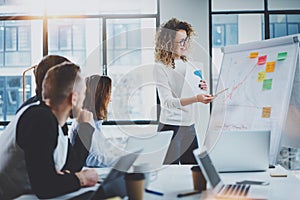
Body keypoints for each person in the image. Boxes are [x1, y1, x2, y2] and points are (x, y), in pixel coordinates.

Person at [0, 62, 98, 199]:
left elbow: (72, 164)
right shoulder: (40, 120)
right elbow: (46, 186)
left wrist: (85, 128)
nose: (84, 100)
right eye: (83, 94)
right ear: (73, 98)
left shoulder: (53, 119)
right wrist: (82, 179)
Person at [154, 18, 214, 164]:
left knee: (193, 170)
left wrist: (203, 90)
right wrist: (196, 98)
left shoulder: (190, 64)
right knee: (169, 173)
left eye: (186, 40)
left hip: (189, 126)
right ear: (168, 43)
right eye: (180, 41)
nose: (185, 44)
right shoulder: (160, 67)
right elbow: (167, 102)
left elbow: (194, 91)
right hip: (171, 127)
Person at [69, 75, 124, 167]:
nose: (110, 100)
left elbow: (99, 153)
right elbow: (90, 160)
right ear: (100, 97)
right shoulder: (85, 121)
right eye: (108, 94)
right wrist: (121, 161)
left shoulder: (94, 121)